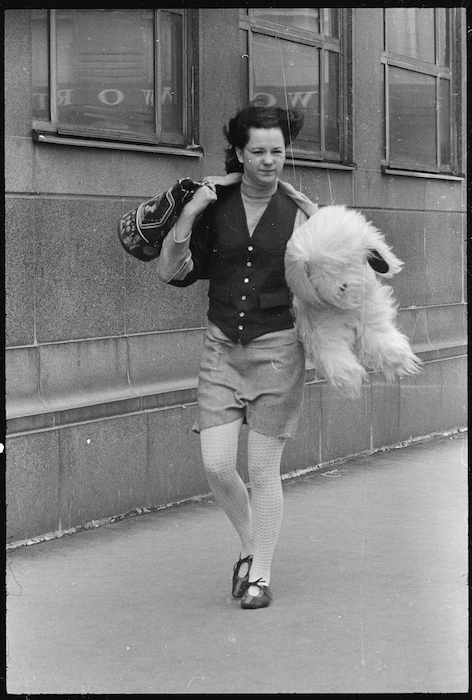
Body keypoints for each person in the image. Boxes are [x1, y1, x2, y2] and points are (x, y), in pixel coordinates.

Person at [156, 103, 317, 609]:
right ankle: (251, 547)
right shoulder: (217, 207)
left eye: (278, 151)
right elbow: (171, 272)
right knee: (219, 465)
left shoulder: (300, 213)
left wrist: (323, 228)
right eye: (259, 152)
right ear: (240, 154)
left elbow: (338, 282)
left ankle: (259, 576)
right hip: (221, 350)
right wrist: (189, 213)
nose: (270, 161)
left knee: (264, 469)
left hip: (277, 353)